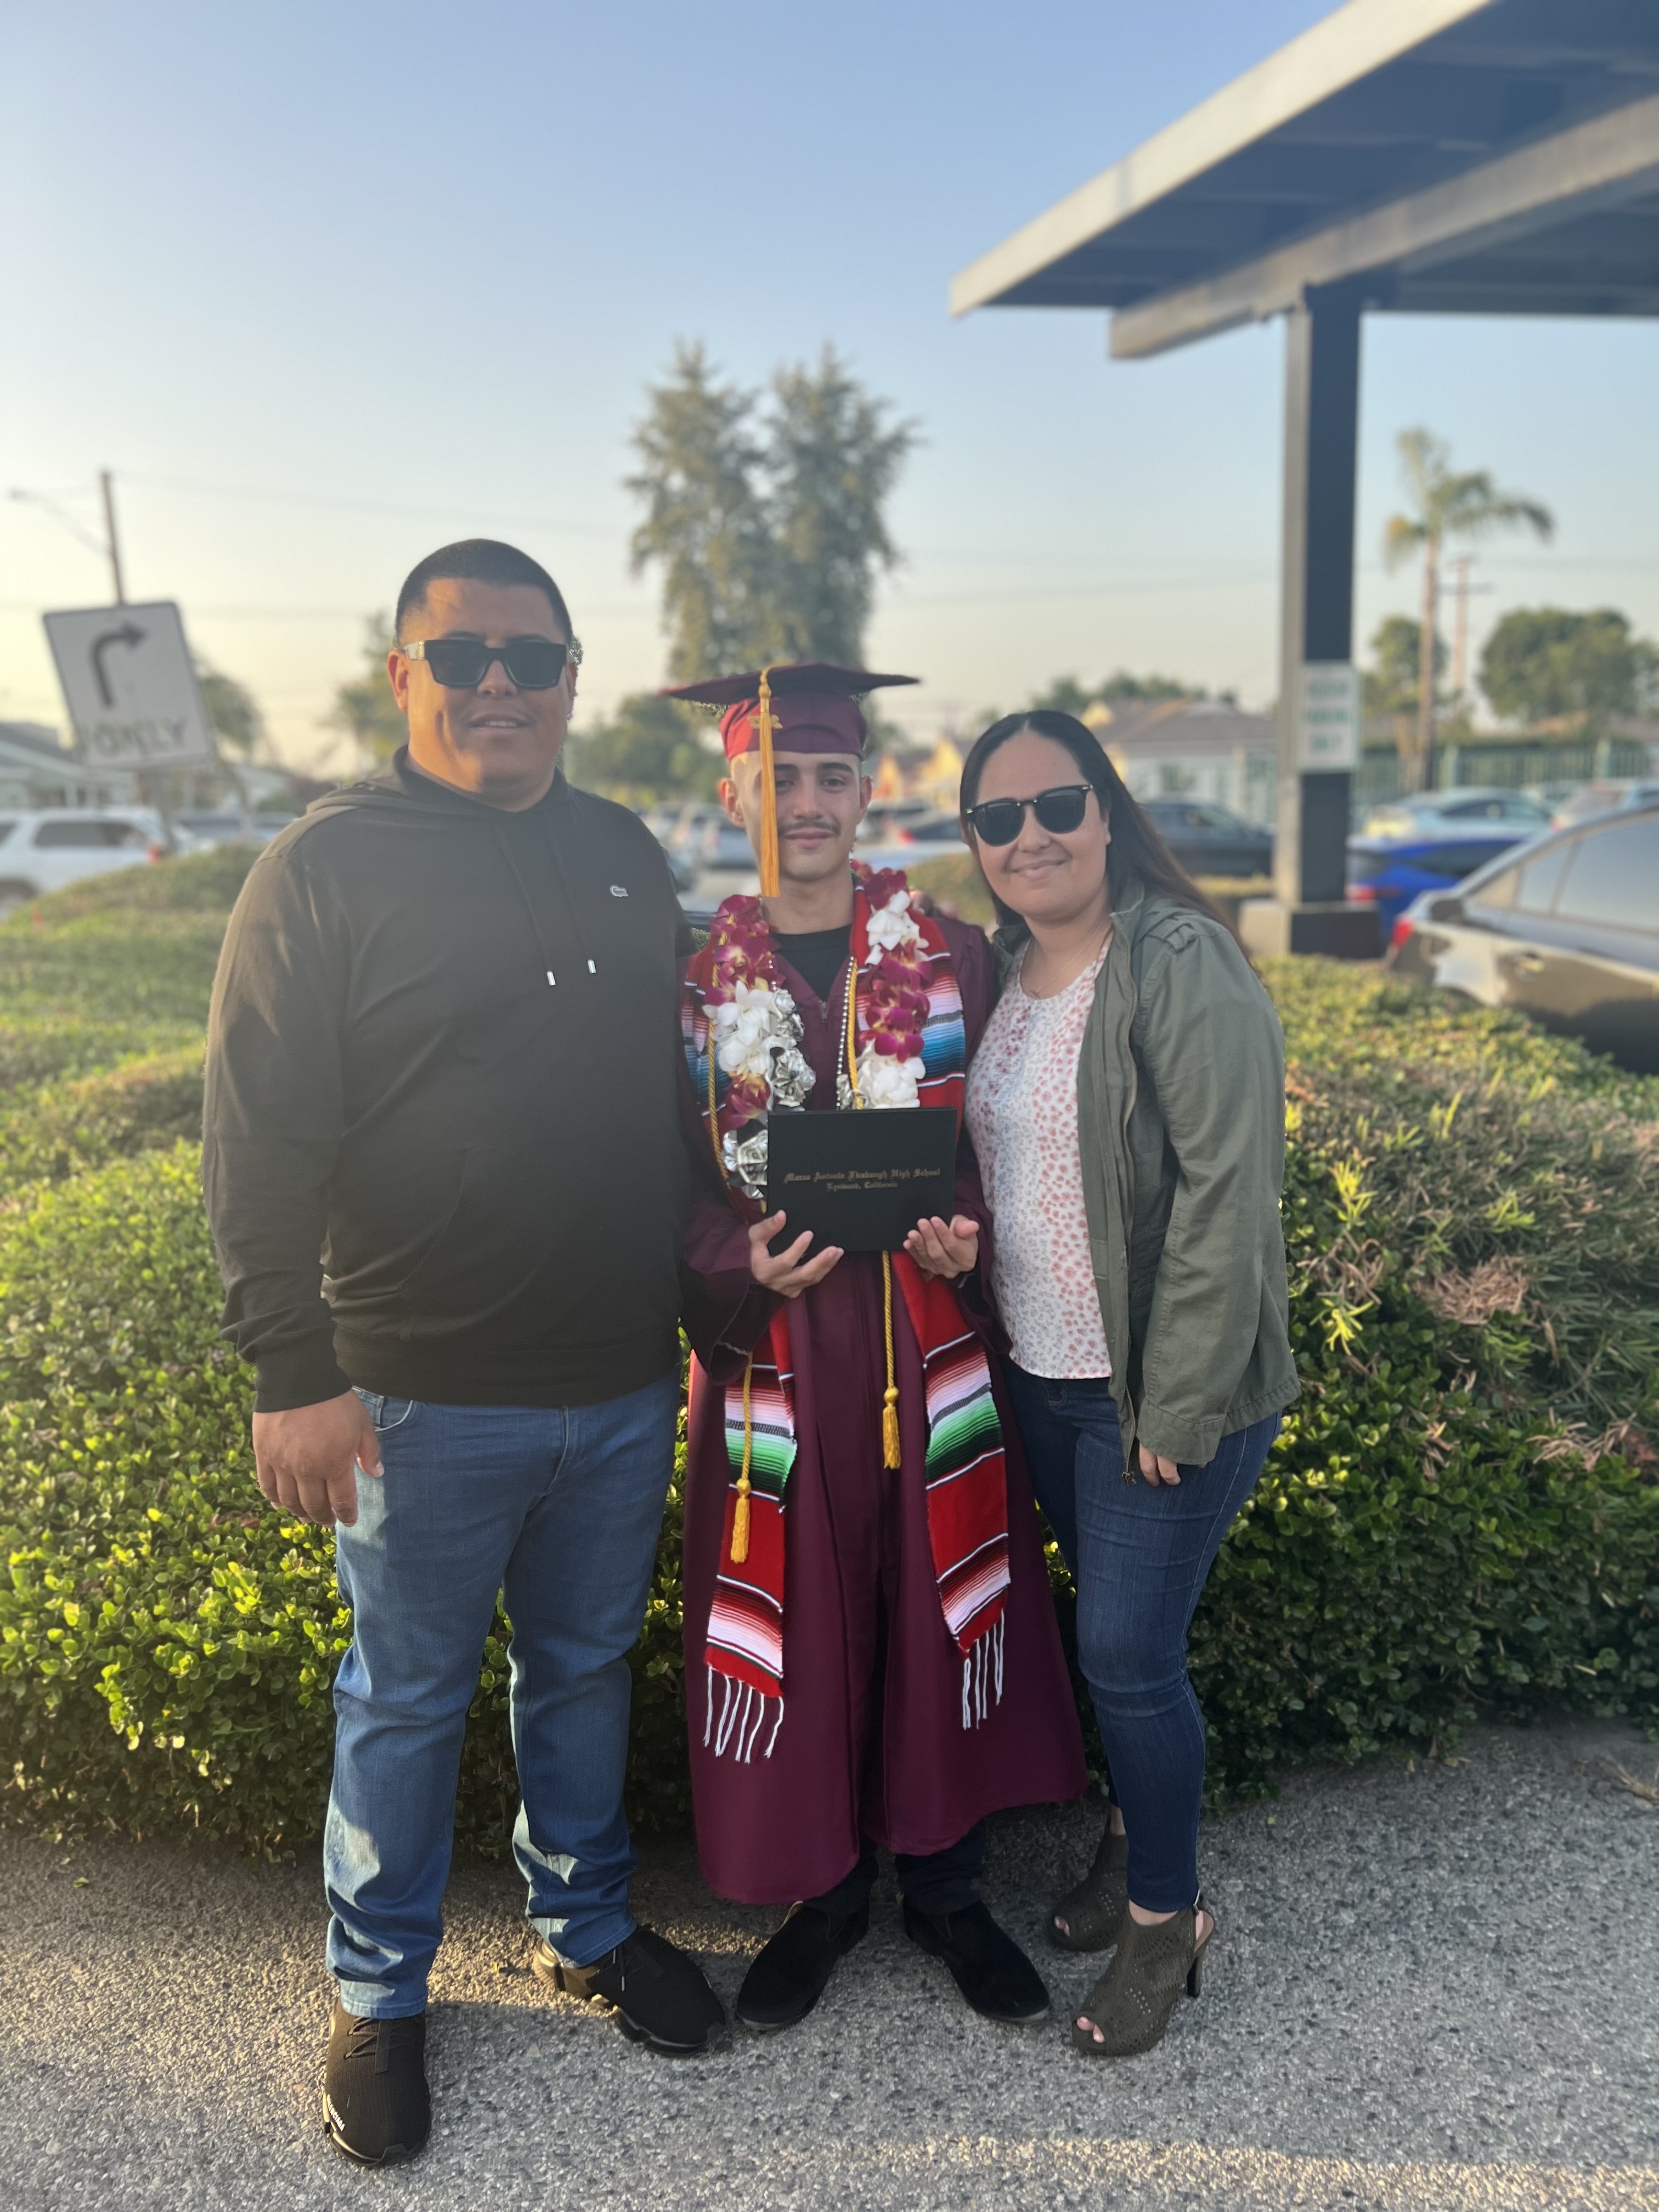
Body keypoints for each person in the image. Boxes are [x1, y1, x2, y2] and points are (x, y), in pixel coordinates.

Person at [203, 539, 727, 2169]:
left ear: (572, 677)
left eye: (533, 656)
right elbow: (256, 1138)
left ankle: (583, 1925)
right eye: (462, 655)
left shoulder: (625, 852)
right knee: (407, 1695)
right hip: (416, 1393)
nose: (500, 682)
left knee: (582, 1668)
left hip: (621, 1379)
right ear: (403, 676)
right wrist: (291, 1371)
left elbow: (684, 1099)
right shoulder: (324, 868)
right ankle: (379, 1987)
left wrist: (729, 1290)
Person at [667, 661, 1087, 2036]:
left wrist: (967, 1233)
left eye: (831, 776)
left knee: (928, 1591)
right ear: (733, 790)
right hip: (777, 1355)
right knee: (806, 1609)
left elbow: (998, 1153)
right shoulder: (692, 988)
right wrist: (734, 1262)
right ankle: (827, 1891)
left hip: (922, 1343)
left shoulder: (951, 954)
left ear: (866, 789)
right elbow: (655, 1186)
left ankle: (948, 1889)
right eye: (778, 776)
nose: (806, 802)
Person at [958, 709, 1299, 2059]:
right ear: (977, 841)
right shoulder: (1001, 974)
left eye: (1057, 805)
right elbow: (1020, 1174)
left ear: (1106, 811)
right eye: (1000, 818)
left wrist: (1181, 1397)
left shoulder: (1176, 962)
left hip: (1151, 1391)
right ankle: (1127, 1837)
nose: (1031, 836)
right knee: (1112, 1642)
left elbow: (1229, 1193)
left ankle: (1168, 1918)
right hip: (1041, 1376)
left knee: (1126, 1655)